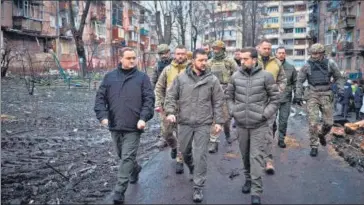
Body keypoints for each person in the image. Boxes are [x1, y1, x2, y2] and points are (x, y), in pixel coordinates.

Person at [94, 47, 155, 204]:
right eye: (128, 58)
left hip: (134, 126)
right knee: (122, 156)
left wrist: (143, 118)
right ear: (120, 59)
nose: (132, 61)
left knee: (126, 157)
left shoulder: (142, 78)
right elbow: (100, 98)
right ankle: (135, 169)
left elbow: (149, 100)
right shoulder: (109, 78)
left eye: (134, 58)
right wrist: (102, 116)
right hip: (115, 124)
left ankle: (120, 190)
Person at [164, 49, 224, 203]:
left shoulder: (212, 80)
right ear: (193, 61)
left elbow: (218, 102)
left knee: (201, 155)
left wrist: (218, 121)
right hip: (184, 122)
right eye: (200, 60)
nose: (204, 63)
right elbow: (170, 96)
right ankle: (191, 167)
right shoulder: (181, 78)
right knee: (184, 151)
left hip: (203, 123)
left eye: (205, 60)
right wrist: (170, 111)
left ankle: (198, 187)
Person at [225, 47, 280, 205]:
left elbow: (275, 99)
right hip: (242, 125)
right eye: (241, 59)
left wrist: (264, 114)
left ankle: (256, 190)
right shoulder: (235, 76)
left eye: (245, 59)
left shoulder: (266, 77)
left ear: (254, 60)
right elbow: (228, 96)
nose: (241, 61)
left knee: (256, 157)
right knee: (245, 155)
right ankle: (248, 179)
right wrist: (233, 111)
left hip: (259, 126)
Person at [293, 43, 345, 157]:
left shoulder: (330, 64)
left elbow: (339, 77)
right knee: (313, 122)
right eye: (312, 54)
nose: (314, 56)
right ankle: (314, 145)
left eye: (316, 53)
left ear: (322, 53)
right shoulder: (307, 65)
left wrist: (341, 90)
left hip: (326, 94)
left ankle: (321, 134)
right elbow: (299, 81)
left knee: (329, 123)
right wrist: (298, 95)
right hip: (312, 94)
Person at [154, 45, 189, 174]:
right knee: (166, 133)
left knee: (182, 136)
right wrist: (159, 104)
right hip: (168, 107)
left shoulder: (191, 69)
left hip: (185, 108)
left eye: (182, 54)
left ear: (186, 55)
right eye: (178, 53)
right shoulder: (168, 70)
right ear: (174, 55)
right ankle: (173, 147)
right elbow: (159, 87)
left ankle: (180, 160)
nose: (180, 56)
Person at [257, 38, 287, 174]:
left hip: (270, 102)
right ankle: (254, 158)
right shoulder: (252, 60)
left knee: (268, 130)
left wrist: (277, 91)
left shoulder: (276, 63)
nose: (267, 50)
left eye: (269, 48)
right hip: (253, 102)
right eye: (265, 48)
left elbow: (283, 80)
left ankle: (268, 161)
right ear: (259, 48)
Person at [207, 40, 239, 153]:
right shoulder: (209, 63)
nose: (215, 51)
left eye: (218, 49)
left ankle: (227, 133)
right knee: (213, 118)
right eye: (214, 49)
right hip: (213, 92)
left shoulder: (230, 62)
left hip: (226, 92)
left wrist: (232, 89)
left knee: (225, 119)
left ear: (223, 49)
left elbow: (238, 76)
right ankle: (214, 142)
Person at [274, 47, 297, 148]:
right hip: (272, 98)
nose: (281, 55)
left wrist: (297, 95)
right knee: (271, 121)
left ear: (285, 54)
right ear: (276, 54)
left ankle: (281, 139)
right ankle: (270, 138)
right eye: (279, 53)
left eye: (283, 53)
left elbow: (296, 82)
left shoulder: (291, 67)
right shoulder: (271, 66)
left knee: (283, 121)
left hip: (286, 98)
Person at [151, 44, 173, 149]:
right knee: (163, 117)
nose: (164, 55)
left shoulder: (175, 63)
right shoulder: (157, 66)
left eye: (165, 53)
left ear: (169, 52)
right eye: (161, 54)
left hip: (176, 94)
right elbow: (153, 81)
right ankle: (164, 138)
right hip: (163, 95)